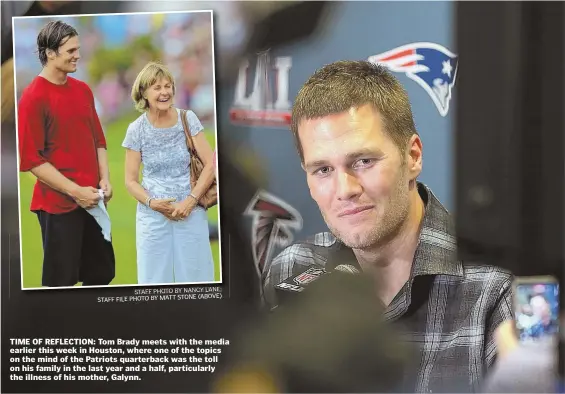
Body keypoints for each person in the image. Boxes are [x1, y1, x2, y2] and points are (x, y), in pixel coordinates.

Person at [262, 60, 514, 393]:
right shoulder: (290, 271)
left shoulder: (495, 287)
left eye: (363, 161)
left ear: (412, 156)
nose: (345, 190)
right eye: (322, 170)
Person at [17, 20, 115, 287]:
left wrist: (104, 179)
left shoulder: (82, 90)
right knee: (61, 284)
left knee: (101, 276)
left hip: (93, 201)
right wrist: (75, 191)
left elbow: (99, 140)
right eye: (71, 50)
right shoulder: (33, 97)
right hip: (57, 207)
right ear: (50, 53)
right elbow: (32, 160)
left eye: (78, 49)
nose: (78, 55)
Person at [123, 61, 215, 285]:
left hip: (190, 212)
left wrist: (190, 201)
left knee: (198, 278)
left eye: (168, 86)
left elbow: (211, 164)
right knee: (153, 281)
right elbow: (130, 180)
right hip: (152, 217)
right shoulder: (136, 129)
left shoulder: (188, 118)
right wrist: (152, 202)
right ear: (143, 93)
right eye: (157, 87)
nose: (164, 92)